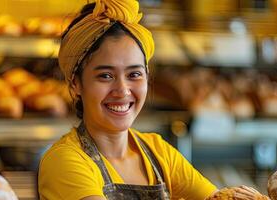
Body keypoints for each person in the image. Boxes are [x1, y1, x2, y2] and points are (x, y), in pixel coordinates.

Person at [38, 0, 217, 199]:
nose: (122, 90)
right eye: (105, 76)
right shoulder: (65, 161)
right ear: (75, 84)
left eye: (134, 75)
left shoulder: (158, 151)